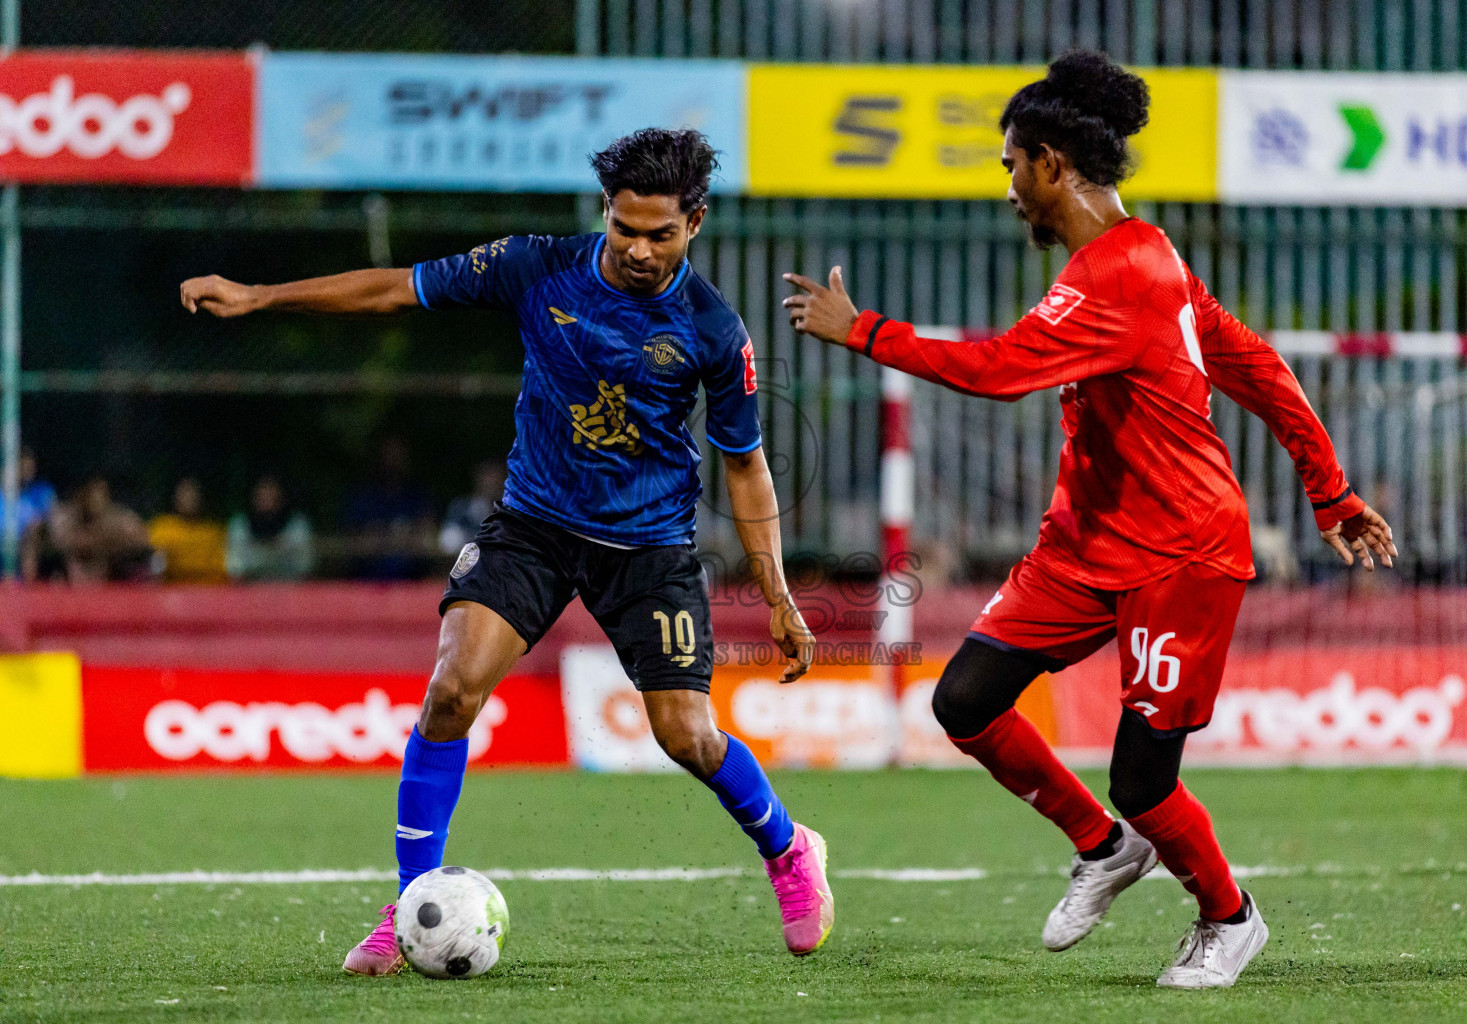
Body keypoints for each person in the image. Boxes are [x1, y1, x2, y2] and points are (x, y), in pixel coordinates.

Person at [783, 51, 1396, 990]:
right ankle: (1104, 848)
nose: (1009, 190)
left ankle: (1229, 919)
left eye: (1010, 167)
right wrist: (1330, 492)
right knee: (966, 700)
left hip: (1180, 553)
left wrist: (862, 330)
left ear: (1052, 166)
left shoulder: (1121, 272)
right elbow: (1258, 363)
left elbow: (995, 369)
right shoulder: (1147, 260)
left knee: (1145, 779)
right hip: (1083, 547)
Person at [180, 127, 828, 974]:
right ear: (605, 211)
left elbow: (745, 468)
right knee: (450, 690)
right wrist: (261, 297)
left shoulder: (713, 328)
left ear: (694, 224)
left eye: (658, 234)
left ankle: (787, 849)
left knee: (688, 736)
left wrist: (776, 592)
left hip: (650, 545)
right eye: (623, 228)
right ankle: (416, 902)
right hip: (535, 525)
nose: (637, 249)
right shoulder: (535, 265)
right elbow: (395, 290)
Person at [343, 436, 438, 580]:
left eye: (397, 455)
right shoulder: (365, 497)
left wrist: (386, 539)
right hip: (368, 582)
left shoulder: (416, 496)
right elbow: (353, 541)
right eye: (388, 454)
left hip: (413, 582)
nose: (393, 460)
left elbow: (427, 536)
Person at [48, 475, 152, 583]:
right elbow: (58, 540)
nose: (95, 499)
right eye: (90, 493)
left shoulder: (120, 519)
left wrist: (106, 540)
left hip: (111, 579)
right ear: (80, 494)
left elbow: (141, 539)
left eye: (101, 493)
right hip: (72, 580)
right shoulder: (65, 516)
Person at [226, 475, 314, 581]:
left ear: (282, 498)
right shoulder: (240, 526)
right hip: (250, 590)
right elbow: (235, 569)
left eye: (272, 494)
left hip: (290, 588)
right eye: (262, 495)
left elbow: (305, 566)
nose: (267, 499)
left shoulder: (297, 526)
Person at [147, 477, 227, 584]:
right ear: (175, 498)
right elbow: (155, 565)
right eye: (185, 494)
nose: (190, 499)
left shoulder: (212, 532)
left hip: (207, 592)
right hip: (171, 593)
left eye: (193, 495)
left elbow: (222, 571)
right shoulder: (162, 527)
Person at [0, 447, 58, 581]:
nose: (27, 470)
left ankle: (29, 583)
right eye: (23, 466)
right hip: (5, 544)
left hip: (29, 546)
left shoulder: (41, 492)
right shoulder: (4, 496)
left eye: (30, 466)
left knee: (33, 536)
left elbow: (51, 522)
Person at [439, 460, 506, 556]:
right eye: (488, 476)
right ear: (478, 478)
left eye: (497, 477)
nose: (493, 482)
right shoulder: (461, 508)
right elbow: (449, 543)